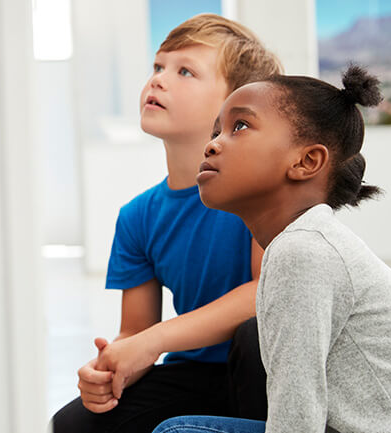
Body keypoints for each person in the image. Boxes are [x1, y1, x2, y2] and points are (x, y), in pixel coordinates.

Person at [152, 66, 391, 433]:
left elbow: (298, 419)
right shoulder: (303, 242)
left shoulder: (302, 251)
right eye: (216, 131)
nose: (212, 143)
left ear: (306, 162)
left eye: (241, 127)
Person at [52, 14, 282, 432]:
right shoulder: (138, 216)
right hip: (195, 373)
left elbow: (263, 295)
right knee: (74, 424)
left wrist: (152, 341)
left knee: (253, 334)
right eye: (158, 66)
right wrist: (111, 367)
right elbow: (135, 330)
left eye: (185, 72)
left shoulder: (260, 193)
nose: (158, 80)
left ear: (235, 103)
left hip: (268, 372)